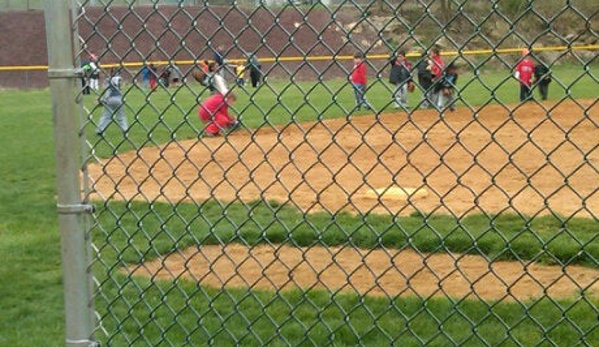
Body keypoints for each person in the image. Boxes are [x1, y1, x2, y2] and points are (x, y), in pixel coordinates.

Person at [96, 68, 128, 135]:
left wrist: (103, 100)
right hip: (119, 98)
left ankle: (100, 130)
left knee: (106, 116)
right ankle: (125, 130)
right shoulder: (120, 79)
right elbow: (122, 87)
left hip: (110, 99)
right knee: (121, 116)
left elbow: (107, 90)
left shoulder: (108, 80)